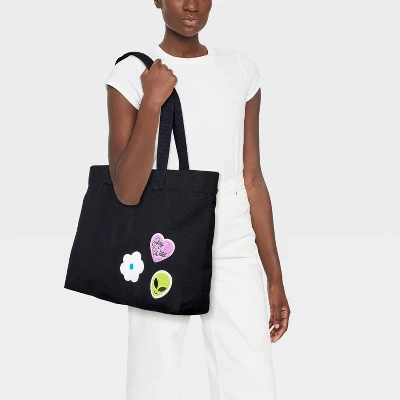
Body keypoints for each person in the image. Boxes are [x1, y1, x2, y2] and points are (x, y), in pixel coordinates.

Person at [105, 1, 290, 399]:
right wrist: (152, 102)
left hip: (232, 233)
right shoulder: (132, 73)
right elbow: (126, 189)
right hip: (162, 232)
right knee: (154, 372)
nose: (191, 5)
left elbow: (252, 177)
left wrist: (274, 277)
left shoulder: (241, 70)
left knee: (250, 375)